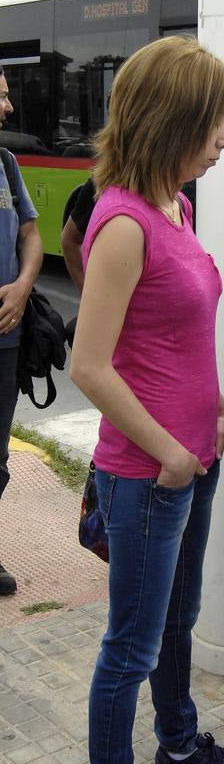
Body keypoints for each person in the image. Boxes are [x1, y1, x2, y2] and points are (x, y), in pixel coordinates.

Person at [70, 37, 224, 764]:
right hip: (149, 474)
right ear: (175, 121)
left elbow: (174, 335)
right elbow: (90, 365)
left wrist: (215, 403)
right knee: (129, 649)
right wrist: (169, 454)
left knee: (177, 621)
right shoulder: (122, 221)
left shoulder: (179, 206)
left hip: (195, 454)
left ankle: (178, 745)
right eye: (215, 123)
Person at [0, 64, 43, 597]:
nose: (9, 107)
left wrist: (25, 284)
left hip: (5, 341)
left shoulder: (6, 163)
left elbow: (31, 235)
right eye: (2, 96)